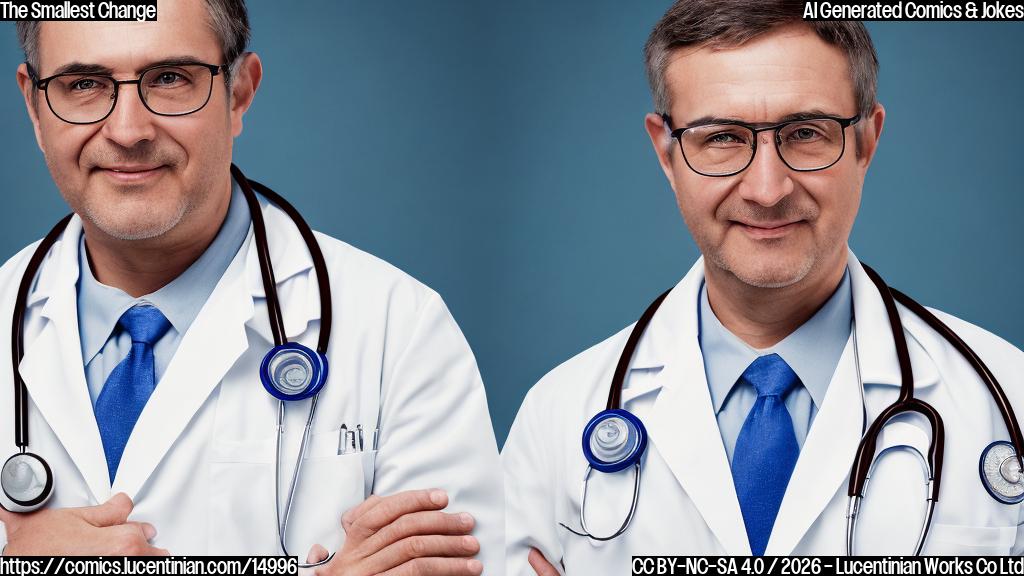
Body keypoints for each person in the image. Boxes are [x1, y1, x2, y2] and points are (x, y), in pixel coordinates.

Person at [503, 1, 1024, 571]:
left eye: (805, 133)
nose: (767, 189)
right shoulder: (557, 418)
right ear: (667, 152)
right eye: (722, 137)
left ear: (867, 142)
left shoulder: (1008, 401)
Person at [0, 2, 503, 574]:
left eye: (169, 79)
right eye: (83, 84)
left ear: (239, 92)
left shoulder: (399, 330)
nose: (128, 130)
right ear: (35, 106)